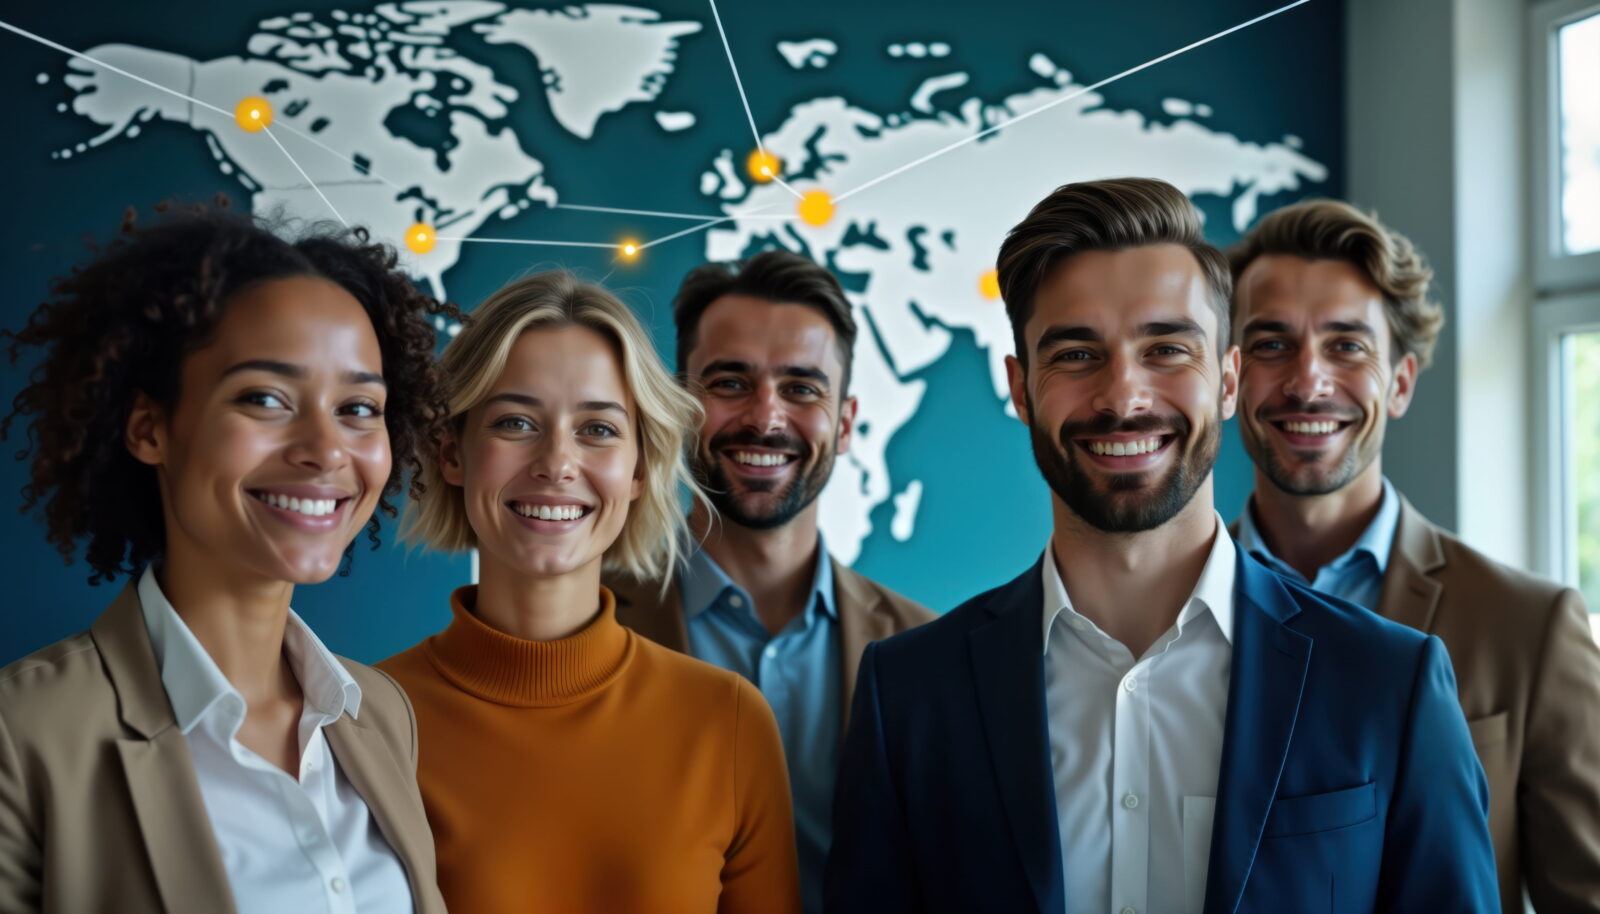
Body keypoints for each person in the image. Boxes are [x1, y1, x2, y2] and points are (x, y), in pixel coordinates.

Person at [825, 178, 1498, 914]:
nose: (1124, 396)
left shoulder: (1389, 685)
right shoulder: (910, 694)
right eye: (1077, 355)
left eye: (1167, 349)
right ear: (1020, 388)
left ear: (1230, 379)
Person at [0, 202, 451, 914]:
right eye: (266, 398)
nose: (328, 450)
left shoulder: (379, 715)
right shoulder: (22, 734)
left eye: (358, 408)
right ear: (150, 429)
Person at [378, 271, 801, 913]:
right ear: (451, 454)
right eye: (516, 421)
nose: (557, 462)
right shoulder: (362, 725)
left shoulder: (730, 724)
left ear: (639, 468)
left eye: (598, 429)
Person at [1228, 198, 1600, 912]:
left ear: (1399, 382)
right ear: (1229, 378)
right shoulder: (1163, 610)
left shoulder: (1531, 627)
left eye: (1347, 345)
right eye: (1272, 344)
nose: (1309, 381)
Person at [606, 250, 933, 914]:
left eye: (802, 387)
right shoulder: (585, 620)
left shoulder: (928, 652)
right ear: (677, 404)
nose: (766, 417)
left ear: (843, 423)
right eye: (730, 382)